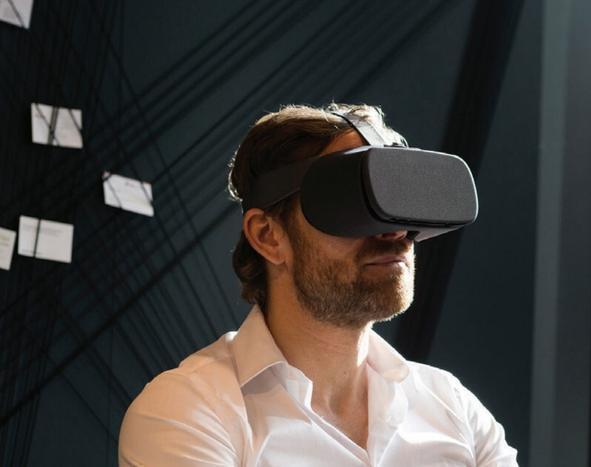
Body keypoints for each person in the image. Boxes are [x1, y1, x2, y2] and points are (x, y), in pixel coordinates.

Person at [118, 103, 518, 466]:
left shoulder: (454, 409)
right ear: (268, 236)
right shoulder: (188, 410)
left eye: (399, 204)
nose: (396, 232)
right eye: (353, 203)